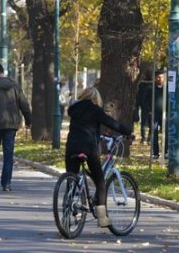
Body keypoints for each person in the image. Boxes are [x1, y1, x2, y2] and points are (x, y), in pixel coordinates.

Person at [65, 86, 132, 227]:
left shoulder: (74, 110)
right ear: (96, 99)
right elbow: (112, 123)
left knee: (71, 179)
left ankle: (66, 216)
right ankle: (102, 218)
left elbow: (82, 127)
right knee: (100, 181)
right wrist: (128, 132)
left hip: (71, 147)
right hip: (88, 147)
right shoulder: (95, 109)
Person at [0, 62, 31, 192]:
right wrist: (28, 120)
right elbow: (24, 103)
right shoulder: (14, 85)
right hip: (11, 124)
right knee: (8, 155)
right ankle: (7, 183)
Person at [151, 70, 166, 159]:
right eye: (157, 77)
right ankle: (155, 152)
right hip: (154, 113)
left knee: (166, 133)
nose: (159, 79)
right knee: (154, 132)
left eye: (161, 77)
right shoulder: (151, 88)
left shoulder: (167, 88)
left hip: (165, 114)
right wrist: (149, 110)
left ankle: (166, 151)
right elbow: (145, 100)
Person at [134, 78, 152, 144]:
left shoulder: (141, 84)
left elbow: (138, 96)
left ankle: (143, 138)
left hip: (144, 106)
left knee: (143, 123)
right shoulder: (152, 85)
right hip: (150, 107)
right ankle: (149, 138)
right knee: (151, 124)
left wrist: (138, 105)